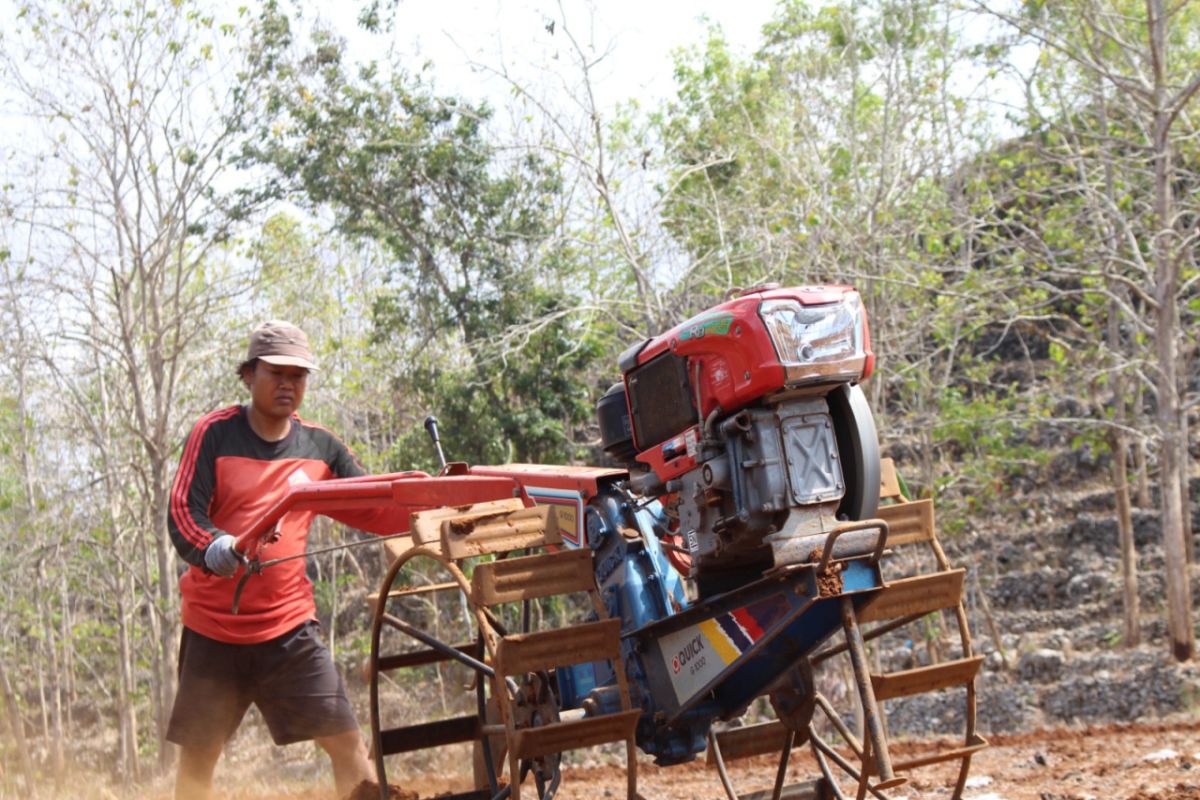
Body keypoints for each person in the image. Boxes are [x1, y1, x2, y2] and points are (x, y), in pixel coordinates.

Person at [166, 320, 378, 800]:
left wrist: (430, 505)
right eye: (276, 373)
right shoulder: (213, 434)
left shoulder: (321, 447)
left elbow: (370, 503)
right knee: (198, 760)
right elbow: (183, 512)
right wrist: (217, 547)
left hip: (289, 630)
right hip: (213, 631)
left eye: (298, 376)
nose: (288, 384)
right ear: (248, 375)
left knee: (347, 745)